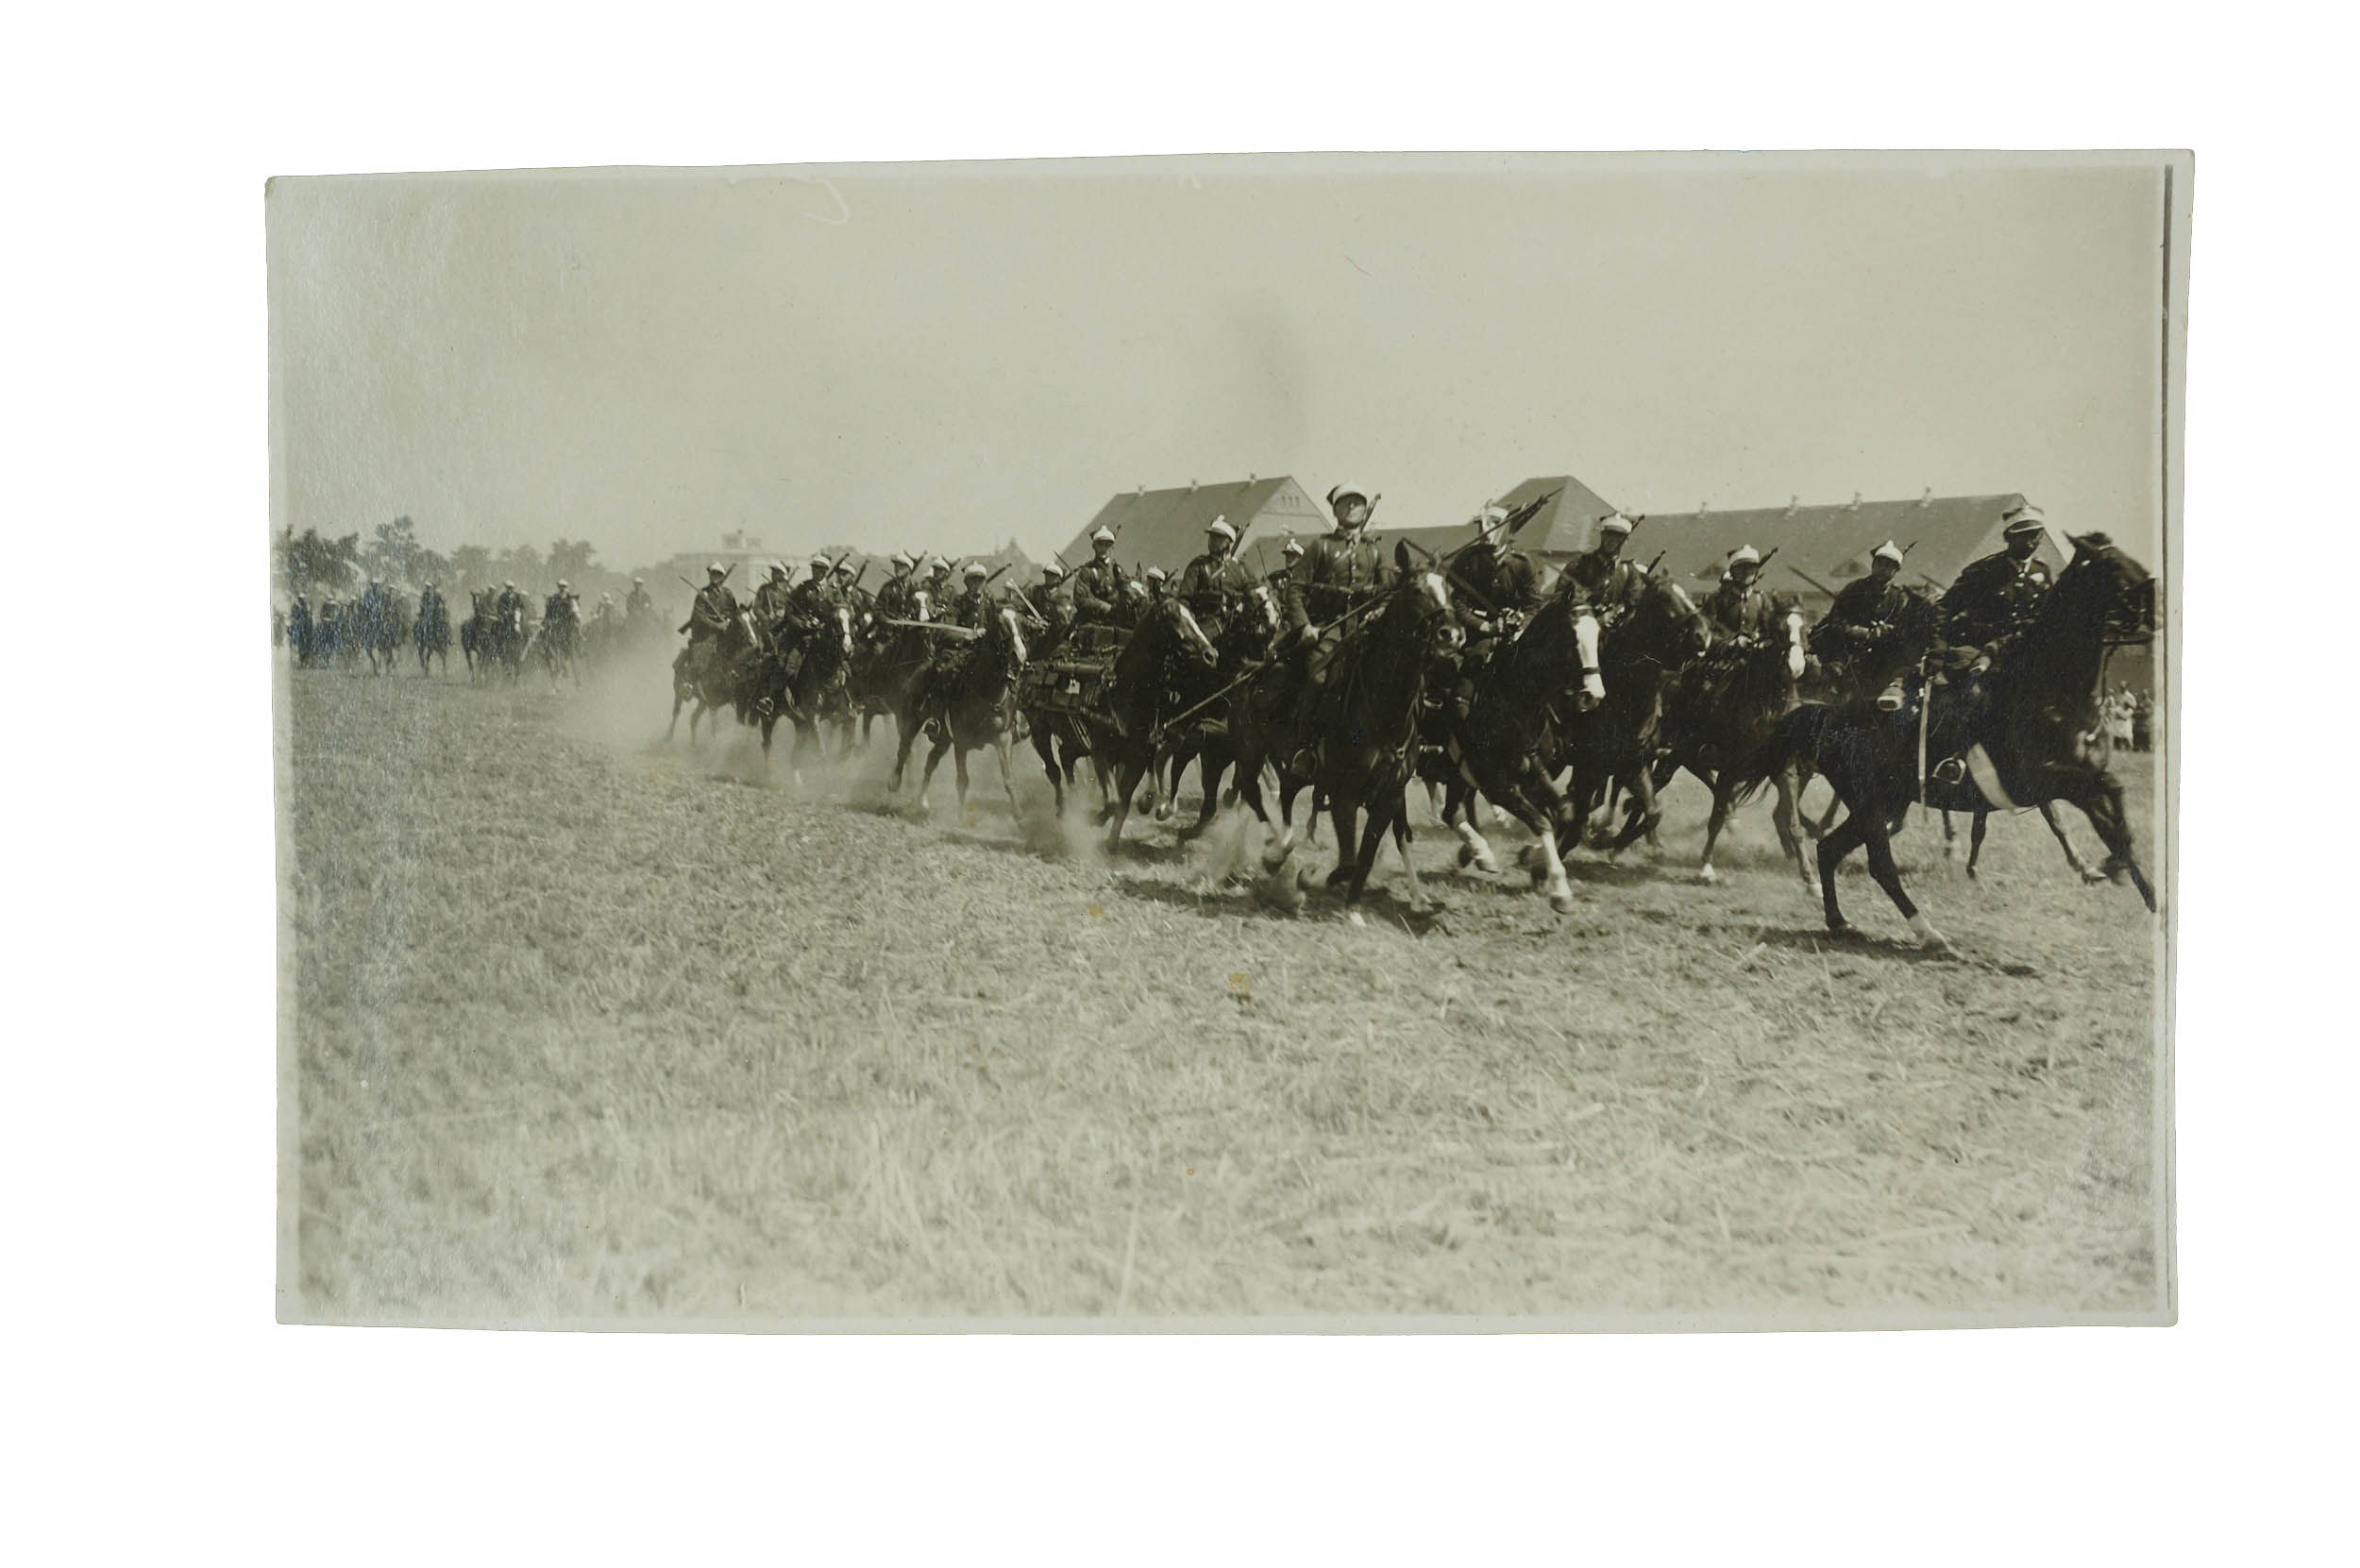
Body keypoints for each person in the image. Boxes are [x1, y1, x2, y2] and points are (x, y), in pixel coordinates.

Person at [1278, 482, 1394, 766]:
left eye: (1357, 502)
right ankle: (1307, 747)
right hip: (1329, 628)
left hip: (1366, 629)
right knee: (1318, 678)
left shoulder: (1374, 552)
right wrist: (1305, 625)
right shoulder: (1321, 546)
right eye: (1346, 503)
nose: (1352, 507)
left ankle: (1390, 744)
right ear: (1335, 510)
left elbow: (1389, 591)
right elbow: (1295, 590)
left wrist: (1380, 611)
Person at [1449, 504, 1543, 721]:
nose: (1484, 529)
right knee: (1462, 692)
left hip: (1511, 635)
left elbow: (1533, 603)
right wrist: (1484, 627)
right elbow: (1456, 602)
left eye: (1492, 524)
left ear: (1507, 531)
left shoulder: (1521, 564)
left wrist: (1521, 623)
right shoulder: (1467, 560)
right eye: (1482, 524)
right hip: (1472, 634)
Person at [1943, 503, 2053, 666]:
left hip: (2024, 652)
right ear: (2008, 537)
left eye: (2035, 536)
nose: (2030, 543)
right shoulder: (1983, 570)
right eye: (2023, 536)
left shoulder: (2042, 571)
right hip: (1978, 650)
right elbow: (1945, 608)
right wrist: (1938, 648)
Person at [1817, 541, 1911, 708]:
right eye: (1880, 563)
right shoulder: (1854, 589)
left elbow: (1903, 629)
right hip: (1851, 652)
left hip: (1883, 656)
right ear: (1873, 565)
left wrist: (1884, 631)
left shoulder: (1900, 597)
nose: (1884, 569)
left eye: (1890, 566)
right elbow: (1835, 621)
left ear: (1896, 571)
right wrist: (1862, 632)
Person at [1173, 515, 1257, 638]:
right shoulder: (1199, 565)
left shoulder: (1240, 568)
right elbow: (1184, 598)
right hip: (1205, 622)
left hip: (1236, 622)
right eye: (1212, 537)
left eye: (1218, 538)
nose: (1213, 541)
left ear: (1228, 541)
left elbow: (1255, 594)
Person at [1557, 512, 1645, 624]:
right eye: (1609, 534)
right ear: (1602, 534)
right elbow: (1560, 597)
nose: (1612, 540)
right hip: (1574, 628)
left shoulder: (1630, 572)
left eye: (1618, 536)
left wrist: (1614, 614)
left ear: (1625, 540)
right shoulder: (1580, 563)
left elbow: (1633, 604)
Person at [1704, 547, 1778, 647]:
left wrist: (1760, 641)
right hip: (1723, 657)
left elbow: (1770, 631)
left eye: (1752, 568)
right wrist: (1730, 643)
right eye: (1741, 568)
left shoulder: (1762, 599)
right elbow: (1706, 632)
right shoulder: (1717, 599)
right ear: (1733, 572)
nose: (1747, 572)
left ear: (1756, 573)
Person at [677, 563, 740, 674]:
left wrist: (728, 622)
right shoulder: (703, 594)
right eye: (713, 573)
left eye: (718, 574)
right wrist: (717, 626)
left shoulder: (728, 593)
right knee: (698, 664)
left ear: (722, 576)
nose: (715, 576)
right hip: (705, 634)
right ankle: (689, 686)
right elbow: (699, 615)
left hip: (725, 632)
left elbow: (735, 612)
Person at [1070, 525, 1125, 624]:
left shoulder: (1118, 570)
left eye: (1107, 545)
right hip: (1093, 620)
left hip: (1116, 620)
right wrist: (1102, 606)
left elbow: (1126, 594)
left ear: (1113, 547)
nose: (1103, 548)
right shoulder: (1087, 571)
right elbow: (1080, 599)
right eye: (1100, 544)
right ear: (1094, 546)